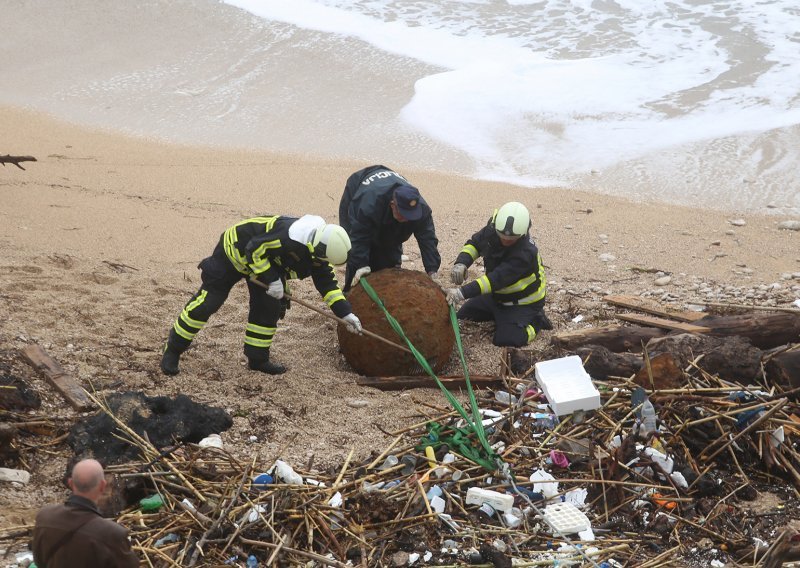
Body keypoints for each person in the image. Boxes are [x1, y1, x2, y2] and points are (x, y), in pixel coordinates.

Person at [160, 214, 362, 376]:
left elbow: (328, 286)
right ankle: (173, 349)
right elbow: (254, 249)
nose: (323, 263)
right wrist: (273, 280)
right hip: (234, 253)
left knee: (268, 309)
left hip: (264, 267)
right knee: (209, 302)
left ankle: (257, 359)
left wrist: (345, 314)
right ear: (316, 247)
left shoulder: (319, 254)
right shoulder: (287, 237)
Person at [445, 202, 551, 347]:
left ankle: (537, 321)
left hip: (523, 302)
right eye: (502, 236)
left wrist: (461, 293)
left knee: (507, 340)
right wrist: (461, 263)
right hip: (496, 296)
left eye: (511, 238)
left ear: (523, 233)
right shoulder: (492, 229)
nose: (506, 240)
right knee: (463, 315)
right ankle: (499, 315)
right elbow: (474, 244)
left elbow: (495, 280)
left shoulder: (525, 253)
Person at [338, 165, 441, 291]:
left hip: (384, 202)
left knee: (389, 259)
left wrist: (432, 270)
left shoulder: (422, 210)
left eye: (411, 215)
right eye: (404, 214)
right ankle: (349, 293)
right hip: (356, 195)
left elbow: (428, 239)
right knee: (354, 255)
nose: (407, 219)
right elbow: (358, 236)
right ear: (393, 205)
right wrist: (361, 265)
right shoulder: (368, 205)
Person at [32, 458, 139, 568]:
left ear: (71, 483)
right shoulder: (113, 534)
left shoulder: (44, 517)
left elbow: (39, 561)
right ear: (102, 486)